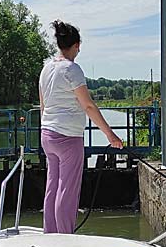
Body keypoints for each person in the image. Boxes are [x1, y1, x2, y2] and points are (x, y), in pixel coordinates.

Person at [39, 20, 123, 233]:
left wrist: (47, 128)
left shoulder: (46, 69)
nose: (80, 50)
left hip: (47, 134)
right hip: (68, 137)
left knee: (53, 186)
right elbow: (88, 105)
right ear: (75, 45)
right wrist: (110, 135)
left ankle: (50, 235)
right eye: (79, 46)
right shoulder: (72, 69)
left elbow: (43, 105)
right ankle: (66, 238)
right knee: (67, 190)